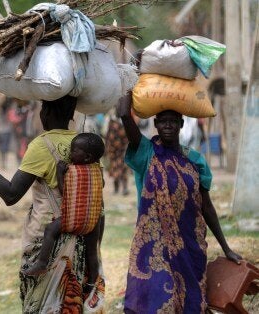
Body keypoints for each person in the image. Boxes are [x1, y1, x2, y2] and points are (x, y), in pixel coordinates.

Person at [0, 95, 101, 313]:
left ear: (45, 113)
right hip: (84, 240)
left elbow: (10, 195)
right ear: (71, 114)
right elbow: (95, 199)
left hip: (47, 242)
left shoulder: (41, 145)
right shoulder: (87, 144)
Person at [117, 93, 242, 313]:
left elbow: (207, 207)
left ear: (181, 124)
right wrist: (130, 76)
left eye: (172, 121)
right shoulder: (147, 152)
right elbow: (124, 116)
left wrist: (226, 247)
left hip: (190, 245)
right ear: (155, 124)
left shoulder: (195, 160)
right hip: (154, 245)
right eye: (163, 121)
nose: (167, 126)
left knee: (190, 302)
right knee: (156, 300)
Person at [22, 133, 105, 306]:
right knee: (92, 252)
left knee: (50, 230)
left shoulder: (74, 171)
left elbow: (64, 192)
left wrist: (60, 173)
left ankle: (42, 263)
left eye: (75, 150)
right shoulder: (97, 171)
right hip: (93, 219)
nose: (70, 152)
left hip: (74, 217)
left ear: (87, 156)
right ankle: (92, 283)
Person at [105, 109, 130, 195]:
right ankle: (116, 189)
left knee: (122, 169)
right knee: (115, 169)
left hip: (122, 151)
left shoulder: (124, 123)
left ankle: (125, 189)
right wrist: (107, 148)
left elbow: (126, 138)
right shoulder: (111, 122)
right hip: (113, 151)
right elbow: (108, 136)